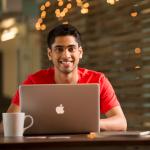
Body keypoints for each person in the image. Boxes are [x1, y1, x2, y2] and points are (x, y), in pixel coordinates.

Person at [1, 24, 127, 131]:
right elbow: (5, 126)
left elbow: (121, 122)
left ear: (80, 52)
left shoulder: (98, 80)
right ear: (50, 54)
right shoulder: (33, 81)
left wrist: (93, 124)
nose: (66, 55)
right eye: (59, 49)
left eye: (71, 49)